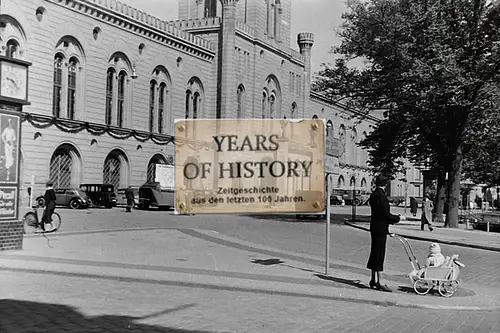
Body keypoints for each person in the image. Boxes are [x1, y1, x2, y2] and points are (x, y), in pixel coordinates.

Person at [367, 175, 401, 292]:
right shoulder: (381, 196)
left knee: (374, 252)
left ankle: (373, 279)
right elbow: (385, 214)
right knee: (379, 253)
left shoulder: (374, 194)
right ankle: (380, 281)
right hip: (380, 228)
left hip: (374, 226)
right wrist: (397, 218)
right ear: (385, 184)